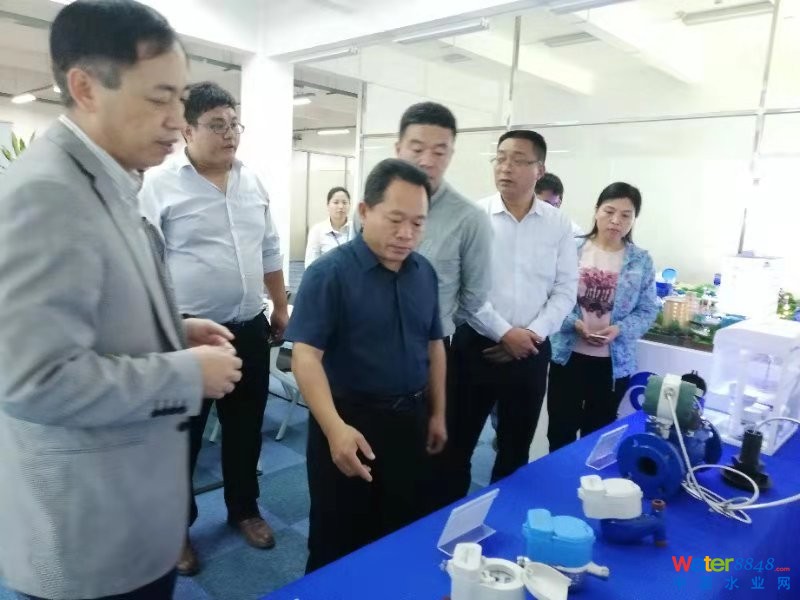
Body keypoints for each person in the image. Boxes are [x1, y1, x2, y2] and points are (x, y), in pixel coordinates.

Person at [0, 2, 242, 599]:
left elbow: (92, 311)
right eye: (159, 98)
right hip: (89, 538)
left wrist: (172, 332)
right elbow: (33, 380)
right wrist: (185, 374)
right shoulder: (47, 194)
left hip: (128, 512)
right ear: (86, 88)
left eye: (180, 99)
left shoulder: (108, 179)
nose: (177, 120)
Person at [140, 81, 288, 575]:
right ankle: (175, 530)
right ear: (188, 130)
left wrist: (280, 306)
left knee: (246, 429)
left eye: (234, 124)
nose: (230, 134)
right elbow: (145, 264)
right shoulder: (159, 186)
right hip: (186, 335)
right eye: (217, 125)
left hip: (248, 330)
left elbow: (269, 249)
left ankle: (244, 509)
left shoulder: (253, 182)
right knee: (180, 438)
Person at [287, 158, 447, 573]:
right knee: (337, 541)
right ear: (364, 211)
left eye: (417, 223)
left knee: (400, 531)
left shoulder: (424, 273)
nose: (406, 233)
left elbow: (434, 345)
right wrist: (334, 428)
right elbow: (305, 357)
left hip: (410, 421)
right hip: (349, 423)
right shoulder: (329, 275)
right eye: (395, 219)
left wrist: (438, 413)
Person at [446, 130, 578, 500]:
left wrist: (530, 335)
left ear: (540, 169)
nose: (505, 167)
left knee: (515, 449)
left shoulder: (559, 224)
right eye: (501, 158)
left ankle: (503, 518)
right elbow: (465, 287)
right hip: (477, 347)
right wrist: (505, 333)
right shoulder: (472, 217)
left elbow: (566, 289)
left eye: (518, 160)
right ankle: (445, 522)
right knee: (456, 446)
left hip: (531, 351)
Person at [548, 182, 658, 451]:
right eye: (609, 211)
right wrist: (572, 322)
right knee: (560, 432)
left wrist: (619, 329)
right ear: (596, 210)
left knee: (598, 436)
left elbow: (647, 309)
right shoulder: (571, 248)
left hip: (613, 364)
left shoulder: (641, 260)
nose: (616, 220)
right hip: (568, 357)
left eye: (626, 215)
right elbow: (548, 294)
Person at [305, 186, 351, 266]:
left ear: (349, 205)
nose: (341, 206)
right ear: (328, 205)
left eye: (344, 202)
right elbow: (310, 263)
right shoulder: (317, 230)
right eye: (336, 202)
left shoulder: (356, 229)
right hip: (326, 273)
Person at [535, 172, 584, 237]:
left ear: (559, 202)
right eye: (546, 204)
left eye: (555, 205)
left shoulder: (572, 231)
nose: (551, 210)